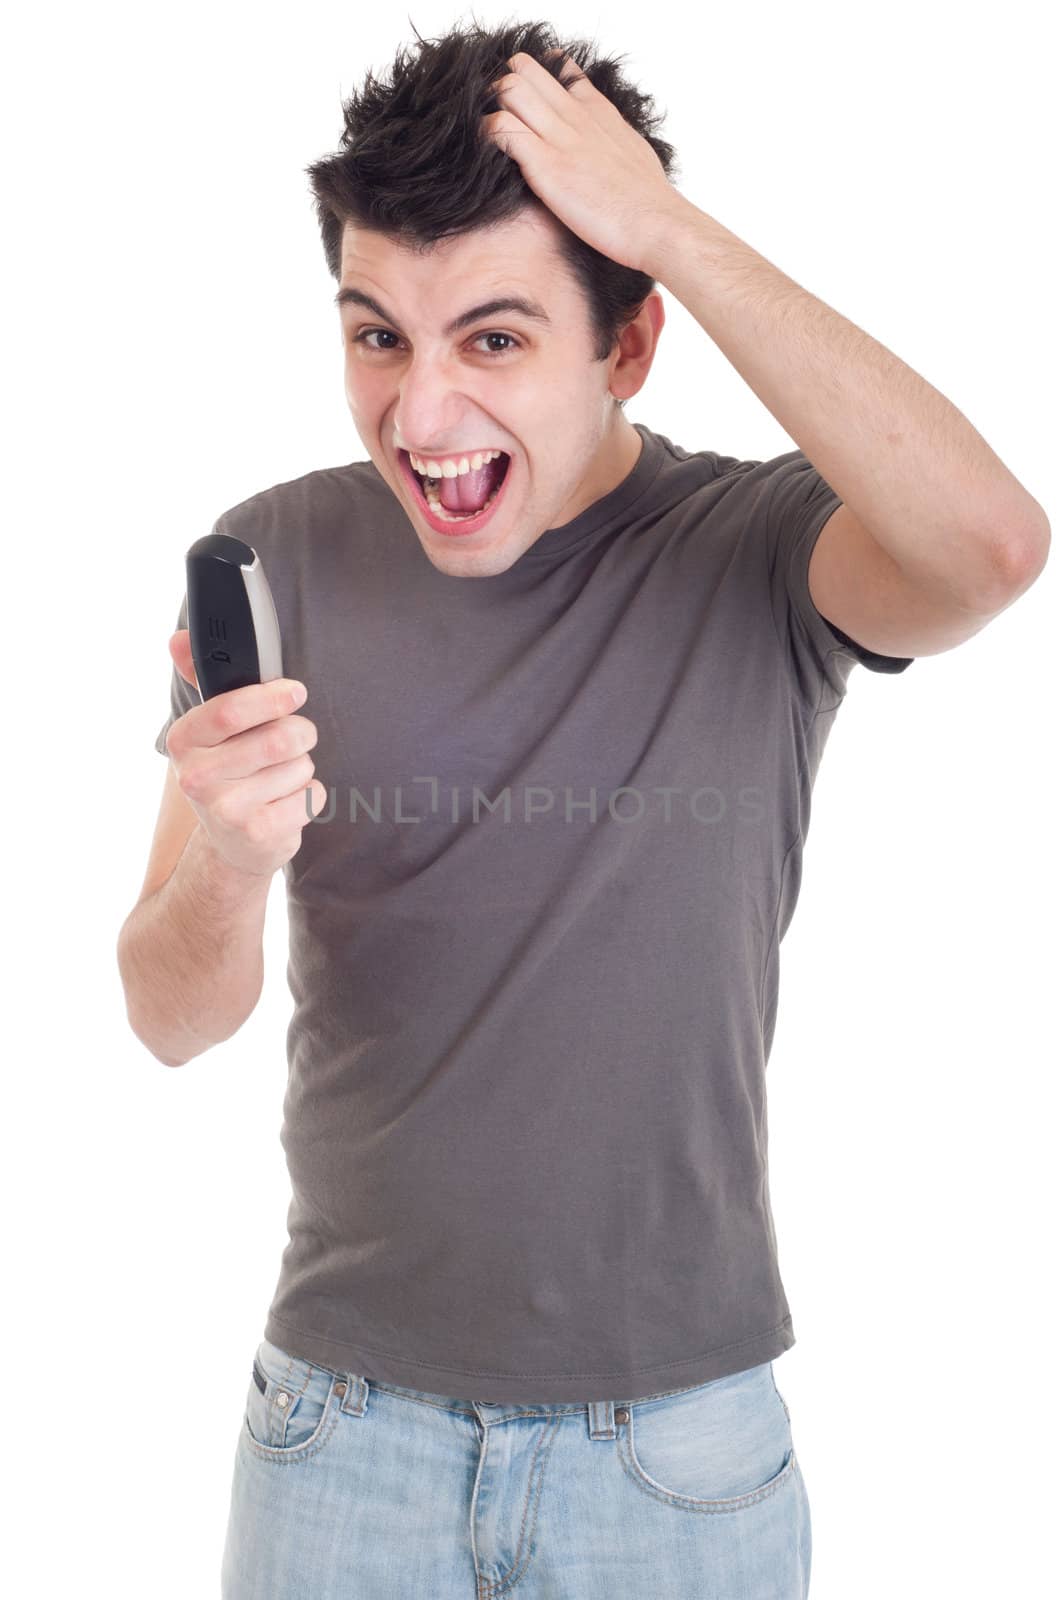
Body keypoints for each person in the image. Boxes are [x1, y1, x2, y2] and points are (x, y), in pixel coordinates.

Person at [116, 18, 1049, 1599]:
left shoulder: (758, 552)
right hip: (344, 1435)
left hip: (676, 1455)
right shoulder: (276, 557)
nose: (421, 417)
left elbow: (992, 547)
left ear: (627, 345)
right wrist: (226, 854)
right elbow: (166, 1016)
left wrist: (666, 228)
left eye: (493, 340)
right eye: (376, 335)